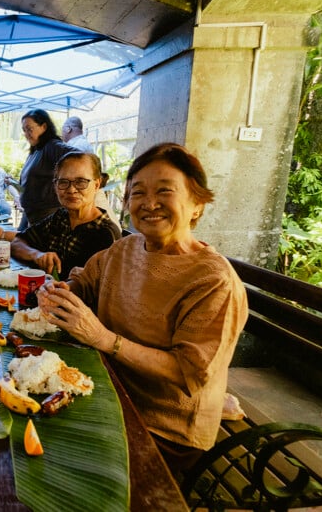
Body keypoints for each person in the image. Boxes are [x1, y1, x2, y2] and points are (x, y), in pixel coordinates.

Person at [37, 143, 248, 474]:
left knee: (50, 459)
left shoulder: (214, 281)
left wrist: (105, 339)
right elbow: (85, 282)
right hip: (105, 390)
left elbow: (188, 371)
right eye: (138, 193)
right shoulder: (125, 248)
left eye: (165, 192)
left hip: (163, 426)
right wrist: (63, 293)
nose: (149, 204)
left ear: (197, 205)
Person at [0, 153, 120, 279]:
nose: (71, 189)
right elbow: (18, 242)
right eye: (63, 182)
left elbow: (96, 293)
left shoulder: (105, 234)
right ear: (55, 186)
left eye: (81, 182)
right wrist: (37, 255)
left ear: (96, 185)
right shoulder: (60, 218)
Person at [18, 109, 73, 231]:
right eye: (24, 130)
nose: (26, 134)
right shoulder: (36, 149)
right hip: (31, 214)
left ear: (43, 127)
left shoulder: (52, 146)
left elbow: (79, 156)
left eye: (29, 129)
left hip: (47, 216)